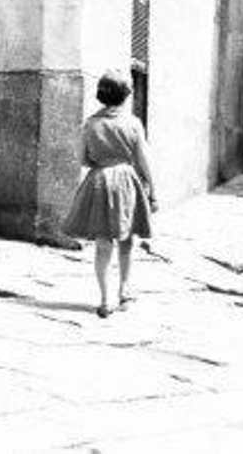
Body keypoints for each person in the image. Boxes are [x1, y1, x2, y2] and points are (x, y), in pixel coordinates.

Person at [61, 68, 157, 317]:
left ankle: (105, 300)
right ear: (126, 96)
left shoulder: (90, 124)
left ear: (100, 96)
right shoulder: (133, 123)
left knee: (103, 243)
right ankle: (124, 290)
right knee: (126, 239)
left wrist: (100, 160)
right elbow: (143, 160)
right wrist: (152, 188)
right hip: (126, 180)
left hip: (99, 181)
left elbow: (81, 159)